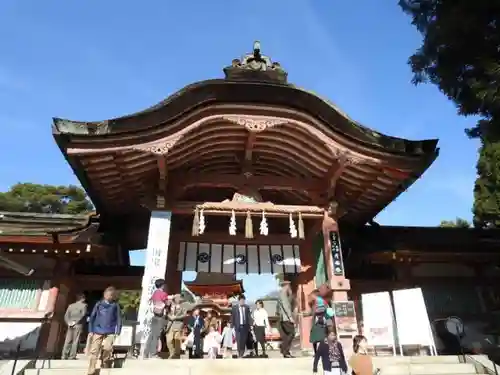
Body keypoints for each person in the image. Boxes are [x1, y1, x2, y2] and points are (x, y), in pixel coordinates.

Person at [87, 286, 122, 375]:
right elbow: (92, 317)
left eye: (110, 295)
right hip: (98, 329)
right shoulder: (99, 304)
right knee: (94, 350)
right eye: (107, 294)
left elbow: (119, 318)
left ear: (113, 296)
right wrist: (90, 330)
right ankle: (91, 369)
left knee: (108, 348)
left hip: (110, 330)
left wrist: (118, 331)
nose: (108, 296)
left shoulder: (115, 305)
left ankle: (105, 360)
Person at [144, 278, 169, 358]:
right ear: (163, 285)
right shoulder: (163, 294)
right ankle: (153, 353)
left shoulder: (155, 293)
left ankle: (146, 353)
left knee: (151, 335)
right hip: (160, 317)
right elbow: (167, 303)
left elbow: (151, 300)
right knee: (156, 336)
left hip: (154, 316)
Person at [62, 293, 88, 360]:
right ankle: (72, 356)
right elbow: (83, 315)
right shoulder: (84, 305)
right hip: (78, 325)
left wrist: (69, 322)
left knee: (67, 340)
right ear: (82, 299)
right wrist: (75, 322)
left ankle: (64, 355)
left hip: (70, 324)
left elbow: (66, 316)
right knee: (75, 340)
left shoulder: (70, 306)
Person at [277, 281, 295, 358]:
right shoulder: (283, 294)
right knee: (292, 333)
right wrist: (290, 317)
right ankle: (284, 349)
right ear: (286, 286)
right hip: (286, 318)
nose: (289, 288)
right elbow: (286, 306)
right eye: (289, 286)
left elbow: (278, 308)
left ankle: (285, 350)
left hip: (282, 318)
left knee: (286, 335)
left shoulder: (280, 294)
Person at [165, 294, 186, 359]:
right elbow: (166, 312)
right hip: (170, 324)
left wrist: (176, 317)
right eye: (176, 298)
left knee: (177, 340)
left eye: (178, 298)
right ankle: (172, 352)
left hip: (178, 324)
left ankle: (177, 354)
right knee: (169, 340)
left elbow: (184, 315)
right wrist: (170, 317)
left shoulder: (183, 306)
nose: (177, 299)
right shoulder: (170, 305)